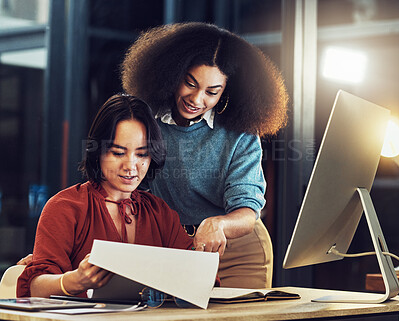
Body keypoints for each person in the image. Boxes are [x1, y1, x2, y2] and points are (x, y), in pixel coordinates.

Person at [121, 22, 289, 288]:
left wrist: (219, 223)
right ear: (172, 73)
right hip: (171, 246)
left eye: (212, 92)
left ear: (226, 92)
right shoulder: (145, 118)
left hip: (235, 250)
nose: (197, 99)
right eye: (190, 83)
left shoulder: (240, 133)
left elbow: (247, 211)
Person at [17, 94, 196, 298]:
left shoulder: (160, 212)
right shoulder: (64, 207)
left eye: (142, 154)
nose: (130, 166)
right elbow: (34, 288)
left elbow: (196, 276)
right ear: (98, 151)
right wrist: (73, 281)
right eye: (118, 153)